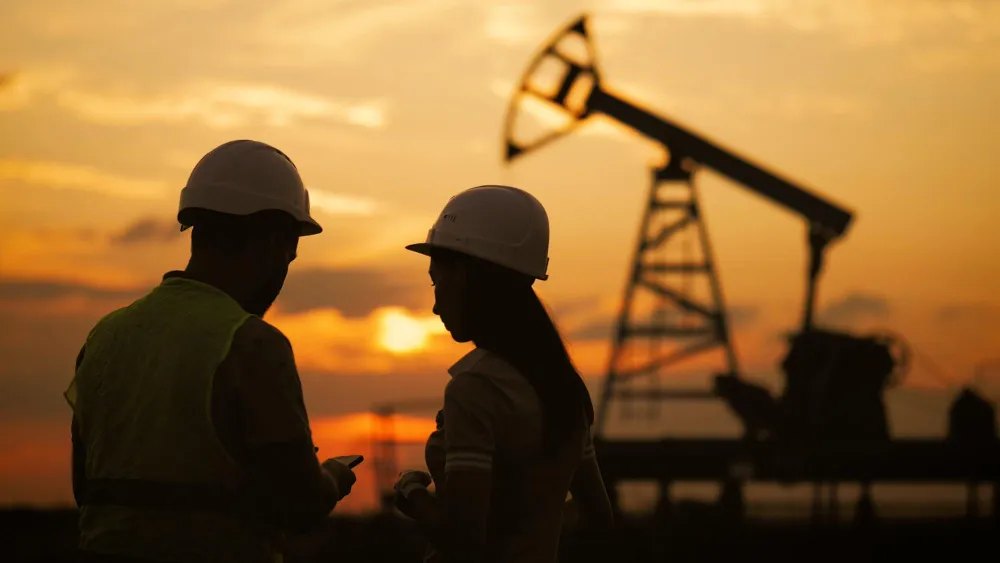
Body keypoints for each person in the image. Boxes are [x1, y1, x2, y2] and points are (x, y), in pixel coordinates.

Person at [64, 140, 358, 563]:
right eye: (291, 249)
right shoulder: (253, 344)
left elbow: (84, 485)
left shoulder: (104, 336)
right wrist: (331, 476)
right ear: (273, 240)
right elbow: (301, 506)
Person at [393, 185, 615, 563]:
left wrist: (410, 495)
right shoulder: (564, 387)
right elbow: (600, 520)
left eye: (436, 281)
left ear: (465, 275)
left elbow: (464, 544)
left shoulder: (475, 388)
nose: (434, 305)